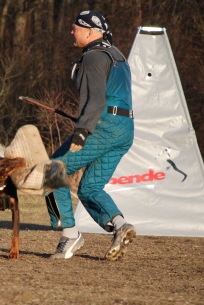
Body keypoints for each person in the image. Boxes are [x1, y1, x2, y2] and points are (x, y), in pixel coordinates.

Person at [44, 10, 136, 260]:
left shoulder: (92, 57)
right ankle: (120, 226)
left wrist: (82, 131)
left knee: (54, 169)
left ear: (89, 32)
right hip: (124, 129)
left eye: (75, 28)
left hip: (103, 126)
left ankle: (70, 235)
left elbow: (95, 100)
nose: (71, 32)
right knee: (90, 187)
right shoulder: (117, 55)